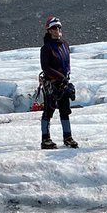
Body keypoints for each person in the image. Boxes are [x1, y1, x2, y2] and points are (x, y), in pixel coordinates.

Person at [40, 16, 78, 148]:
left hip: (63, 82)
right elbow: (46, 67)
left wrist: (65, 79)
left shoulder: (64, 44)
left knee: (65, 109)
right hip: (52, 83)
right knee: (48, 110)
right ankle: (45, 139)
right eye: (54, 28)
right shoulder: (46, 48)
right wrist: (60, 77)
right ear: (49, 31)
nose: (57, 30)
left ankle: (68, 137)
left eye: (58, 28)